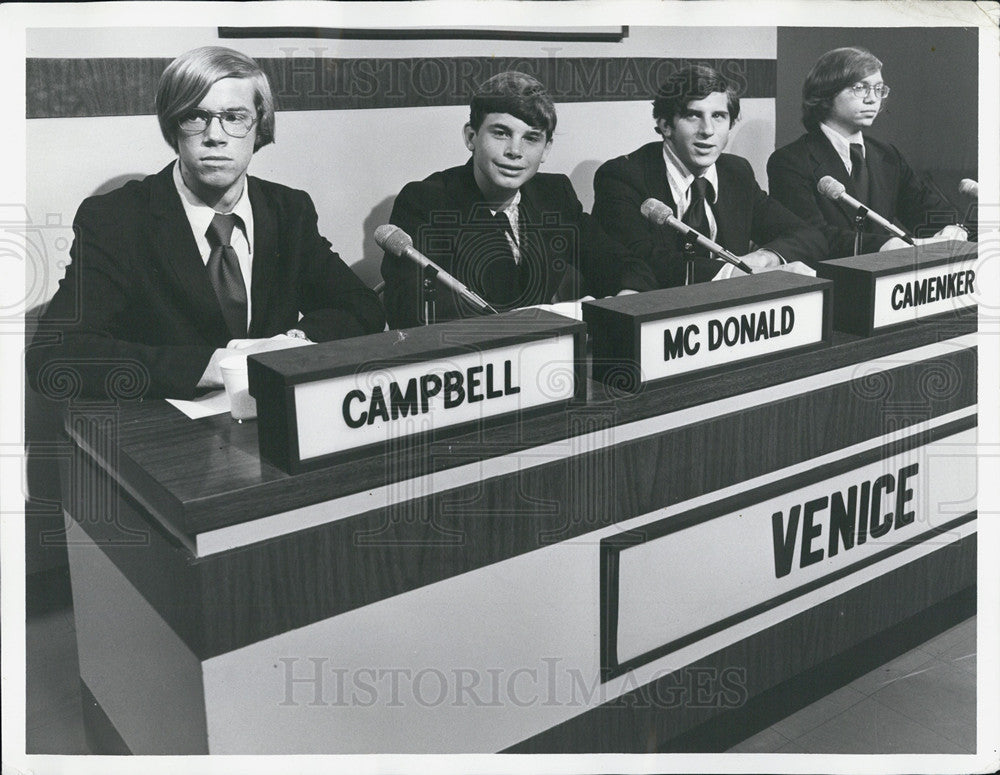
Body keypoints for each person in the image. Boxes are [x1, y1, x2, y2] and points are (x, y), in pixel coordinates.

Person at [26, 46, 385, 400]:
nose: (215, 135)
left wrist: (292, 343)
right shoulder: (116, 219)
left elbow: (361, 307)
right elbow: (54, 357)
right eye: (195, 115)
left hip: (269, 419)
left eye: (234, 116)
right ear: (173, 125)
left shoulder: (289, 209)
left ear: (260, 126)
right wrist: (214, 365)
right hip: (167, 435)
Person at [380, 71, 646, 330]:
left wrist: (625, 299)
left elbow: (625, 264)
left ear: (546, 149)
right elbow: (414, 314)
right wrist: (558, 316)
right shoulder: (426, 202)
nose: (515, 152)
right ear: (471, 137)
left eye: (531, 138)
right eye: (501, 133)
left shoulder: (554, 194)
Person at [592, 64, 826, 291]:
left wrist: (763, 260)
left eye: (719, 116)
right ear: (665, 125)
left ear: (731, 124)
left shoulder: (736, 172)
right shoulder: (622, 176)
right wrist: (736, 274)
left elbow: (807, 235)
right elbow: (642, 261)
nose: (708, 130)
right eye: (693, 115)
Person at [767, 47, 968, 258]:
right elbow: (808, 237)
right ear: (825, 94)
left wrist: (953, 227)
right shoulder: (789, 161)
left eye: (879, 89)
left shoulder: (888, 155)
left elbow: (928, 210)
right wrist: (886, 245)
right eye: (860, 88)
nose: (873, 99)